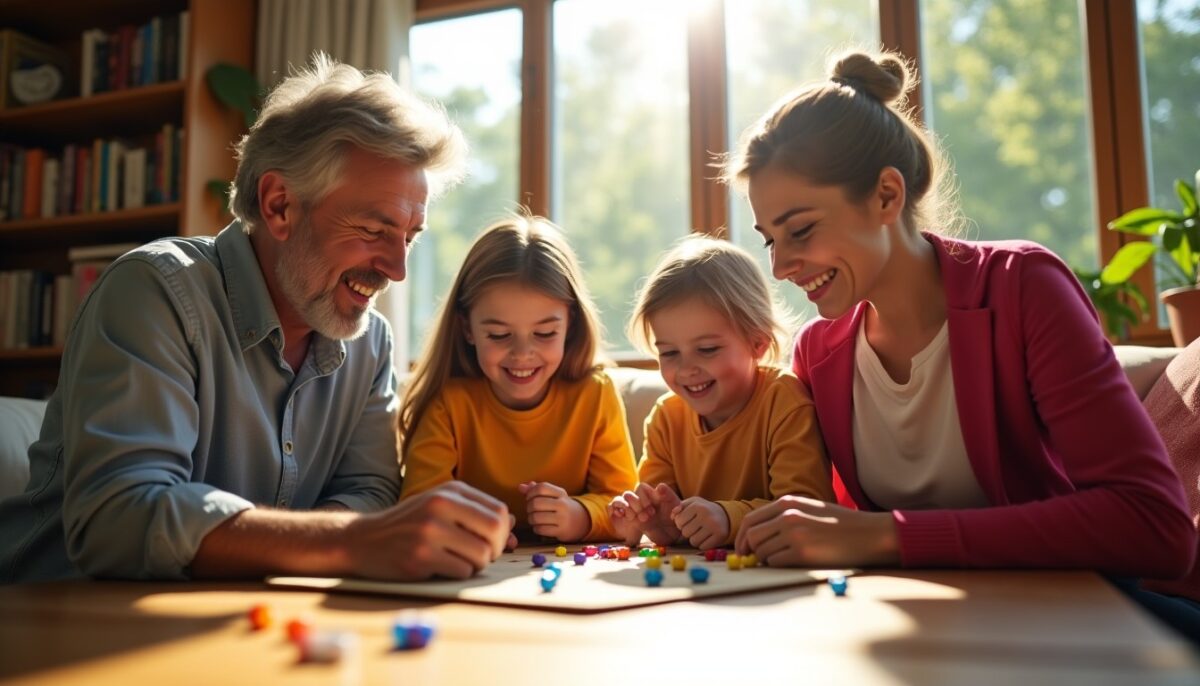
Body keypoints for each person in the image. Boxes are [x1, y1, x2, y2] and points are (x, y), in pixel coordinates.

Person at [0, 55, 513, 584]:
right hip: (59, 618)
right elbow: (119, 520)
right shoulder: (154, 293)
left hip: (238, 618)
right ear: (280, 206)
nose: (397, 269)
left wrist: (334, 543)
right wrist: (348, 542)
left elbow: (370, 490)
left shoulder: (371, 342)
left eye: (409, 237)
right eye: (372, 229)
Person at [723, 50, 1193, 583]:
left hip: (1070, 610)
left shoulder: (1023, 287)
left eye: (801, 230)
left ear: (886, 196)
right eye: (771, 241)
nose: (780, 267)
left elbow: (1155, 526)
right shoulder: (818, 352)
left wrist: (889, 536)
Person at [399, 215, 639, 543]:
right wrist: (469, 528)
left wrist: (580, 516)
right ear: (467, 328)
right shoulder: (448, 403)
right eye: (499, 335)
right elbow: (419, 505)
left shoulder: (595, 394)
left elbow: (625, 505)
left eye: (545, 333)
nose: (523, 354)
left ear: (570, 323)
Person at [607, 236, 834, 549]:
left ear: (758, 343)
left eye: (707, 349)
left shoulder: (784, 402)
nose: (686, 369)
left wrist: (729, 519)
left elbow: (807, 509)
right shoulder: (666, 418)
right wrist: (651, 520)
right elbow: (663, 518)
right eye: (669, 353)